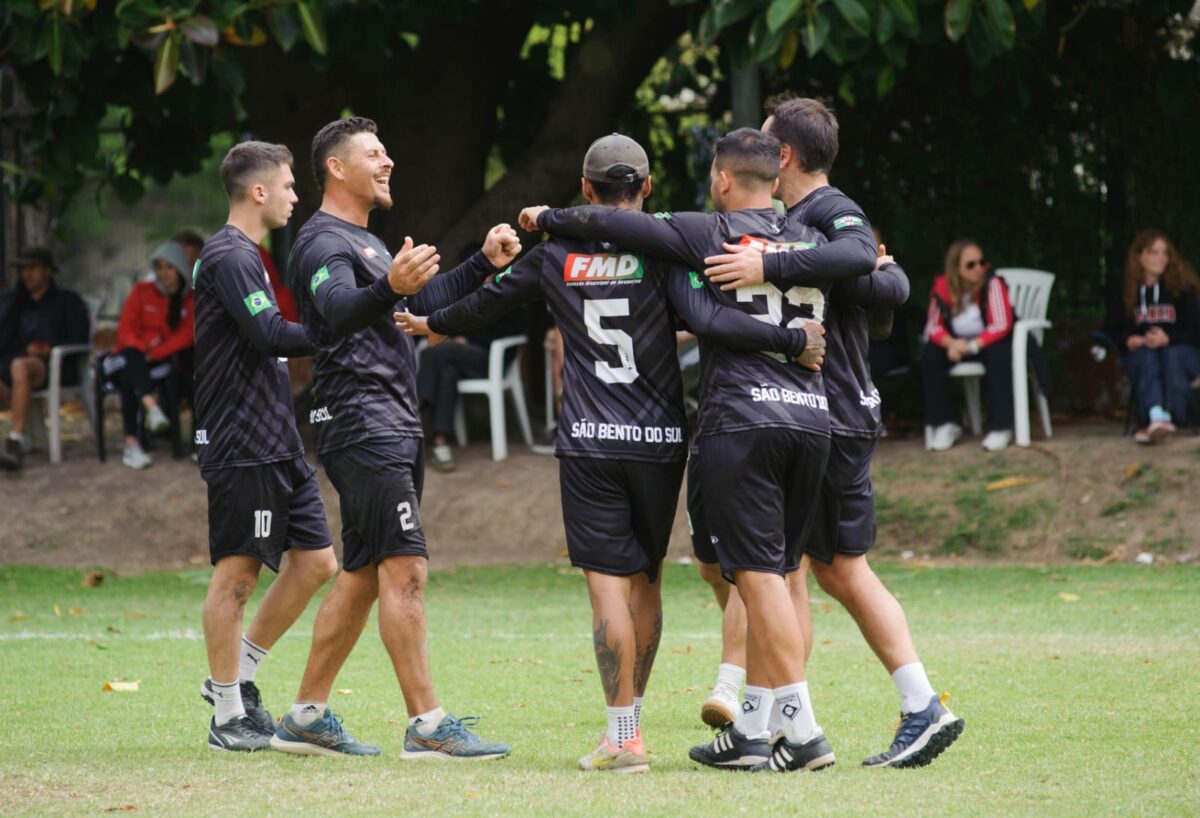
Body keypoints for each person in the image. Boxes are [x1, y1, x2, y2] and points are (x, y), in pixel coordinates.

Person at [399, 133, 819, 773]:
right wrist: (790, 339)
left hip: (591, 441)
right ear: (646, 189)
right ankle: (644, 721)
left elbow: (465, 307)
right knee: (647, 580)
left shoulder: (553, 253)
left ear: (586, 190)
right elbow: (709, 324)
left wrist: (446, 305)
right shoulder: (665, 253)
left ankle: (624, 738)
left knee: (607, 591)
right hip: (659, 443)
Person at [530, 128, 843, 774]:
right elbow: (879, 287)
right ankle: (753, 724)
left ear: (724, 180)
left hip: (740, 423)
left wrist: (544, 219)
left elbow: (627, 243)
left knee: (754, 578)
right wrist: (797, 332)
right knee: (779, 578)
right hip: (813, 421)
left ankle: (800, 727)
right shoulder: (817, 243)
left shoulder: (707, 234)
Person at [707, 96, 962, 769]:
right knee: (803, 571)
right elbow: (873, 280)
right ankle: (760, 730)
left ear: (783, 156)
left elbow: (886, 279)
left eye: (766, 144)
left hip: (836, 411)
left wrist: (777, 267)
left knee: (820, 571)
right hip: (825, 414)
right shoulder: (794, 220)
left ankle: (915, 707)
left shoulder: (827, 213)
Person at [271, 116, 517, 759]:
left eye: (387, 152)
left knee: (360, 572)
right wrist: (388, 287)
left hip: (392, 421)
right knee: (406, 568)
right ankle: (428, 726)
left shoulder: (368, 242)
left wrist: (481, 266)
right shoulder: (321, 242)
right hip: (361, 421)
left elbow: (416, 304)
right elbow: (337, 311)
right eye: (374, 154)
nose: (388, 163)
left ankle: (305, 715)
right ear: (337, 168)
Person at [193, 141, 338, 752]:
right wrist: (350, 325)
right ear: (258, 192)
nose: (294, 195)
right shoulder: (227, 255)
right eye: (287, 185)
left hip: (277, 440)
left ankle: (239, 676)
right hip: (241, 442)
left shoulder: (249, 255)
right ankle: (228, 715)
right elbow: (269, 332)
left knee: (317, 563)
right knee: (237, 578)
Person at [920, 239, 1016, 452]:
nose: (979, 268)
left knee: (999, 352)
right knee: (930, 354)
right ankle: (944, 425)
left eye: (982, 262)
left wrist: (971, 346)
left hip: (985, 345)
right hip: (958, 346)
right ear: (956, 269)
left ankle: (1002, 427)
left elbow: (1001, 324)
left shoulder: (993, 283)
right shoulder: (942, 287)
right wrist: (951, 344)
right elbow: (933, 327)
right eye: (971, 265)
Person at [106, 241, 195, 468]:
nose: (163, 273)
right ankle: (151, 407)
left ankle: (132, 444)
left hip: (153, 362)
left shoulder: (189, 300)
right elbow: (125, 332)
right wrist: (141, 350)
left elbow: (186, 336)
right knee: (129, 363)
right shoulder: (141, 292)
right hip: (123, 358)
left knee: (131, 376)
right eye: (159, 267)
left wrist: (153, 354)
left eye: (169, 267)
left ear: (181, 269)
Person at [0, 247, 90, 471]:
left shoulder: (67, 301)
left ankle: (16, 441)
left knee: (20, 366)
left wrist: (49, 349)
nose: (27, 275)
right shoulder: (13, 301)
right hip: (10, 366)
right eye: (23, 269)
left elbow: (79, 338)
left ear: (48, 271)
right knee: (15, 365)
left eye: (33, 268)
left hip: (53, 367)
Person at [1106, 229, 1200, 443]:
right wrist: (1129, 340)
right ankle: (1158, 416)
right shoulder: (1124, 292)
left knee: (1170, 354)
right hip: (1142, 357)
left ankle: (1166, 416)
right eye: (1154, 252)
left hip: (1181, 354)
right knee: (1147, 353)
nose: (1161, 258)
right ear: (1140, 257)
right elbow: (1110, 330)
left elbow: (1196, 330)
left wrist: (1169, 338)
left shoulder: (1183, 289)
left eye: (1165, 253)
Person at [415, 306, 524, 472]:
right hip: (460, 356)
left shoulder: (509, 288)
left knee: (431, 353)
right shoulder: (469, 288)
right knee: (447, 373)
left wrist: (469, 341)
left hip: (491, 357)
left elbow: (515, 329)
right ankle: (440, 442)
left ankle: (415, 411)